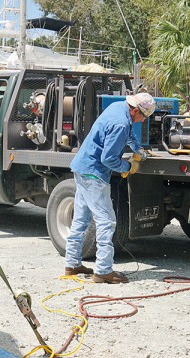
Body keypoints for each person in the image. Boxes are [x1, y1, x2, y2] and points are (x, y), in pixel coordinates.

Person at [63, 93, 156, 283]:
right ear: (136, 110)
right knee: (106, 221)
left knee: (81, 220)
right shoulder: (121, 123)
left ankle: (72, 265)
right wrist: (128, 167)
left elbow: (129, 132)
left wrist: (137, 149)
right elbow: (108, 159)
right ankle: (103, 270)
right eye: (143, 117)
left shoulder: (118, 107)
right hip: (94, 174)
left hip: (82, 168)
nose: (142, 121)